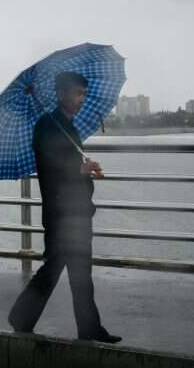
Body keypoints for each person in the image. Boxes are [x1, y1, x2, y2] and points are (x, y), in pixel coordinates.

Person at [7, 71, 122, 343]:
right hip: (62, 214)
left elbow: (67, 164)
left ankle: (87, 327)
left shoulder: (66, 126)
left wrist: (85, 169)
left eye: (84, 93)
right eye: (77, 93)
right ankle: (23, 316)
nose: (82, 99)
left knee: (79, 273)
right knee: (55, 270)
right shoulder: (47, 125)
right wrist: (79, 168)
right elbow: (49, 168)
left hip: (77, 212)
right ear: (62, 94)